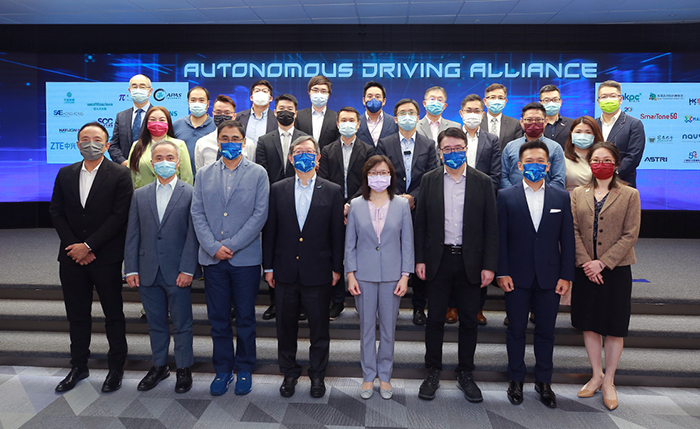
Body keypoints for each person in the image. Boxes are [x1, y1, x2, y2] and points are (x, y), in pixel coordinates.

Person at [414, 127, 498, 402]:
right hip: (437, 261)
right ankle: (433, 371)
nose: (453, 153)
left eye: (458, 148)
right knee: (435, 320)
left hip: (471, 262)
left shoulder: (482, 181)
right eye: (447, 149)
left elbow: (490, 227)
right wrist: (420, 259)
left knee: (469, 322)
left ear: (466, 149)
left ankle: (466, 373)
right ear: (439, 152)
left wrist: (489, 265)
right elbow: (421, 223)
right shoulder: (429, 180)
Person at [49, 121, 133, 393]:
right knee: (77, 315)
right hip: (72, 257)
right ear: (77, 144)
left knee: (113, 314)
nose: (91, 143)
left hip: (105, 257)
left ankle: (116, 367)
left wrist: (89, 245)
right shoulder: (65, 173)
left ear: (107, 145)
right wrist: (76, 246)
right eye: (85, 138)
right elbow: (57, 212)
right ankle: (78, 366)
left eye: (97, 139)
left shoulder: (120, 174)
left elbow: (119, 216)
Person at [190, 120, 269, 397]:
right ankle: (223, 369)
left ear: (244, 142)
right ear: (218, 141)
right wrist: (213, 247)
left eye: (235, 138)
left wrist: (231, 245)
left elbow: (260, 215)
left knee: (246, 317)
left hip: (244, 259)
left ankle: (245, 367)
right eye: (225, 138)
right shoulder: (203, 173)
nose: (230, 142)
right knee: (218, 318)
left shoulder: (258, 173)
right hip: (212, 260)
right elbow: (197, 213)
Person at [262, 136, 345, 399]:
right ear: (290, 158)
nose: (305, 156)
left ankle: (317, 375)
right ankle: (289, 372)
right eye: (299, 152)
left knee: (319, 329)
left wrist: (336, 268)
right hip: (285, 270)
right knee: (285, 327)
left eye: (310, 152)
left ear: (318, 158)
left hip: (319, 271)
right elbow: (270, 231)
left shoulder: (332, 190)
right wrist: (269, 267)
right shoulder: (277, 189)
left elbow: (336, 235)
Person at [496, 139, 575, 409]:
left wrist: (567, 276)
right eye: (529, 161)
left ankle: (544, 382)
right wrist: (501, 272)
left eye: (540, 161)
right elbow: (500, 239)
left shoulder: (561, 197)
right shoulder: (505, 196)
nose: (534, 166)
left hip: (550, 278)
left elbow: (568, 239)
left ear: (548, 165)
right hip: (515, 277)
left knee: (546, 333)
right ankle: (515, 380)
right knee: (516, 331)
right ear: (519, 165)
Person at [570, 141, 641, 411]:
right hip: (585, 268)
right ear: (590, 164)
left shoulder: (629, 194)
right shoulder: (578, 193)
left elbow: (630, 235)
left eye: (606, 160)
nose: (601, 164)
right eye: (596, 160)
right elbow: (573, 230)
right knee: (589, 323)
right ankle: (596, 374)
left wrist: (603, 263)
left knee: (613, 325)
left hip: (616, 270)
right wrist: (587, 262)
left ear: (616, 163)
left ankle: (609, 380)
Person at [124, 140, 199, 393]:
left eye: (169, 157)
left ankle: (184, 368)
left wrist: (188, 269)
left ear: (178, 162)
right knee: (155, 323)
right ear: (152, 163)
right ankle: (159, 366)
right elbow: (132, 234)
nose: (164, 161)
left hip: (178, 272)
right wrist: (131, 269)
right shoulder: (139, 195)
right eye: (159, 158)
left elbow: (193, 236)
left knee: (182, 324)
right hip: (146, 271)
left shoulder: (190, 193)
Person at [345, 155, 413, 400]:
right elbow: (349, 244)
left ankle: (384, 376)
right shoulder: (355, 205)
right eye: (373, 173)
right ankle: (367, 375)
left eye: (383, 172)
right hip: (363, 276)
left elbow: (408, 243)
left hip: (393, 277)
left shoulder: (402, 205)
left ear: (391, 175)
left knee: (387, 330)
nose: (378, 177)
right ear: (366, 176)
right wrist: (350, 275)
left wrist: (405, 276)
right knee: (365, 330)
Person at [376, 98, 438, 326]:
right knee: (392, 255)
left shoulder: (429, 144)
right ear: (395, 118)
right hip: (390, 206)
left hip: (420, 209)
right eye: (403, 112)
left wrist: (414, 197)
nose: (407, 116)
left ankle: (419, 306)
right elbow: (380, 173)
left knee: (419, 256)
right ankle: (389, 306)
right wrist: (398, 197)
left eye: (412, 112)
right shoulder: (385, 143)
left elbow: (432, 176)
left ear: (418, 116)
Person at [318, 106, 376, 320]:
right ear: (337, 123)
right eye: (343, 119)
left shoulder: (369, 150)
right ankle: (337, 301)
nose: (348, 123)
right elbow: (323, 179)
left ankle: (363, 300)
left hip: (360, 208)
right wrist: (338, 206)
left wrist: (350, 204)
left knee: (359, 254)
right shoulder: (327, 149)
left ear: (358, 124)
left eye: (352, 120)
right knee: (335, 255)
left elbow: (369, 179)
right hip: (332, 209)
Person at [256, 93, 309, 320]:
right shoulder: (264, 140)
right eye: (281, 108)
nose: (285, 111)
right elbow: (262, 172)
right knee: (276, 250)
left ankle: (302, 304)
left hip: (302, 199)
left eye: (290, 108)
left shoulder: (306, 138)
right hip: (274, 202)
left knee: (301, 251)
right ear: (274, 112)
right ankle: (275, 302)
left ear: (295, 113)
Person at [457, 93, 502, 326]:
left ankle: (477, 308)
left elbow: (495, 174)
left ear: (482, 114)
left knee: (476, 256)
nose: (473, 114)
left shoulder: (491, 139)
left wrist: (479, 195)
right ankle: (452, 307)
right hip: (452, 201)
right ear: (461, 113)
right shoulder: (451, 137)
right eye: (469, 110)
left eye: (477, 111)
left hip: (480, 203)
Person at [501, 102, 565, 190]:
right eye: (529, 120)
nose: (533, 123)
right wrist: (515, 194)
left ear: (545, 121)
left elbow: (559, 180)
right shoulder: (510, 147)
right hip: (515, 199)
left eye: (538, 119)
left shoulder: (555, 148)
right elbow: (503, 177)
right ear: (522, 122)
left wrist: (542, 195)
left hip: (546, 199)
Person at [595, 80, 646, 188]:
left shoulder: (634, 124)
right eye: (604, 97)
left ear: (620, 99)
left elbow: (633, 157)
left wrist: (610, 175)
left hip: (622, 184)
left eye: (613, 96)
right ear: (598, 101)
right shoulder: (592, 125)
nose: (608, 100)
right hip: (594, 184)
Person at [127, 106, 193, 188]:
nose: (157, 123)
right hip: (142, 196)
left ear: (168, 123)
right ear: (146, 123)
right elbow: (130, 175)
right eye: (152, 120)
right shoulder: (136, 145)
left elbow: (186, 177)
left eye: (162, 120)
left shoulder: (179, 145)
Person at [108, 74, 155, 166]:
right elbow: (113, 145)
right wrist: (123, 162)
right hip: (124, 170)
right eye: (134, 86)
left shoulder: (158, 115)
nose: (138, 90)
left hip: (150, 169)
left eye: (142, 86)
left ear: (150, 91)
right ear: (130, 91)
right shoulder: (121, 116)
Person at [195, 94, 248, 170]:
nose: (222, 116)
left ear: (234, 116)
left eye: (227, 113)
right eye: (218, 112)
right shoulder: (202, 143)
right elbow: (200, 172)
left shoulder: (247, 144)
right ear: (213, 115)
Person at [174, 86, 216, 173]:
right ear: (188, 103)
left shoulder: (216, 126)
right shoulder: (176, 125)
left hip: (209, 176)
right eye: (193, 100)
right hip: (182, 178)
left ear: (208, 104)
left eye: (201, 100)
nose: (197, 103)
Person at [295, 75, 339, 150]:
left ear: (328, 95)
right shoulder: (298, 116)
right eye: (315, 90)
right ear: (309, 93)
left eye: (323, 91)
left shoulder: (336, 117)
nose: (319, 94)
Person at [565, 116, 604, 192]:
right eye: (578, 132)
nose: (582, 136)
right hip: (570, 200)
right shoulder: (562, 158)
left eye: (588, 132)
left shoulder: (603, 158)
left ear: (595, 135)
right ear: (571, 134)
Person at [479, 83, 524, 150]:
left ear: (505, 102)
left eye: (500, 98)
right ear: (485, 101)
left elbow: (517, 149)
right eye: (493, 97)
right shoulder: (477, 123)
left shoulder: (515, 124)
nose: (496, 101)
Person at [235, 79, 278, 146]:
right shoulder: (238, 117)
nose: (260, 94)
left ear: (270, 98)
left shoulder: (277, 119)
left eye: (264, 91)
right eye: (257, 91)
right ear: (251, 97)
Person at [356, 81, 399, 146]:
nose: (373, 99)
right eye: (370, 96)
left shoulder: (394, 122)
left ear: (384, 101)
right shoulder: (356, 123)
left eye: (377, 97)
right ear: (363, 100)